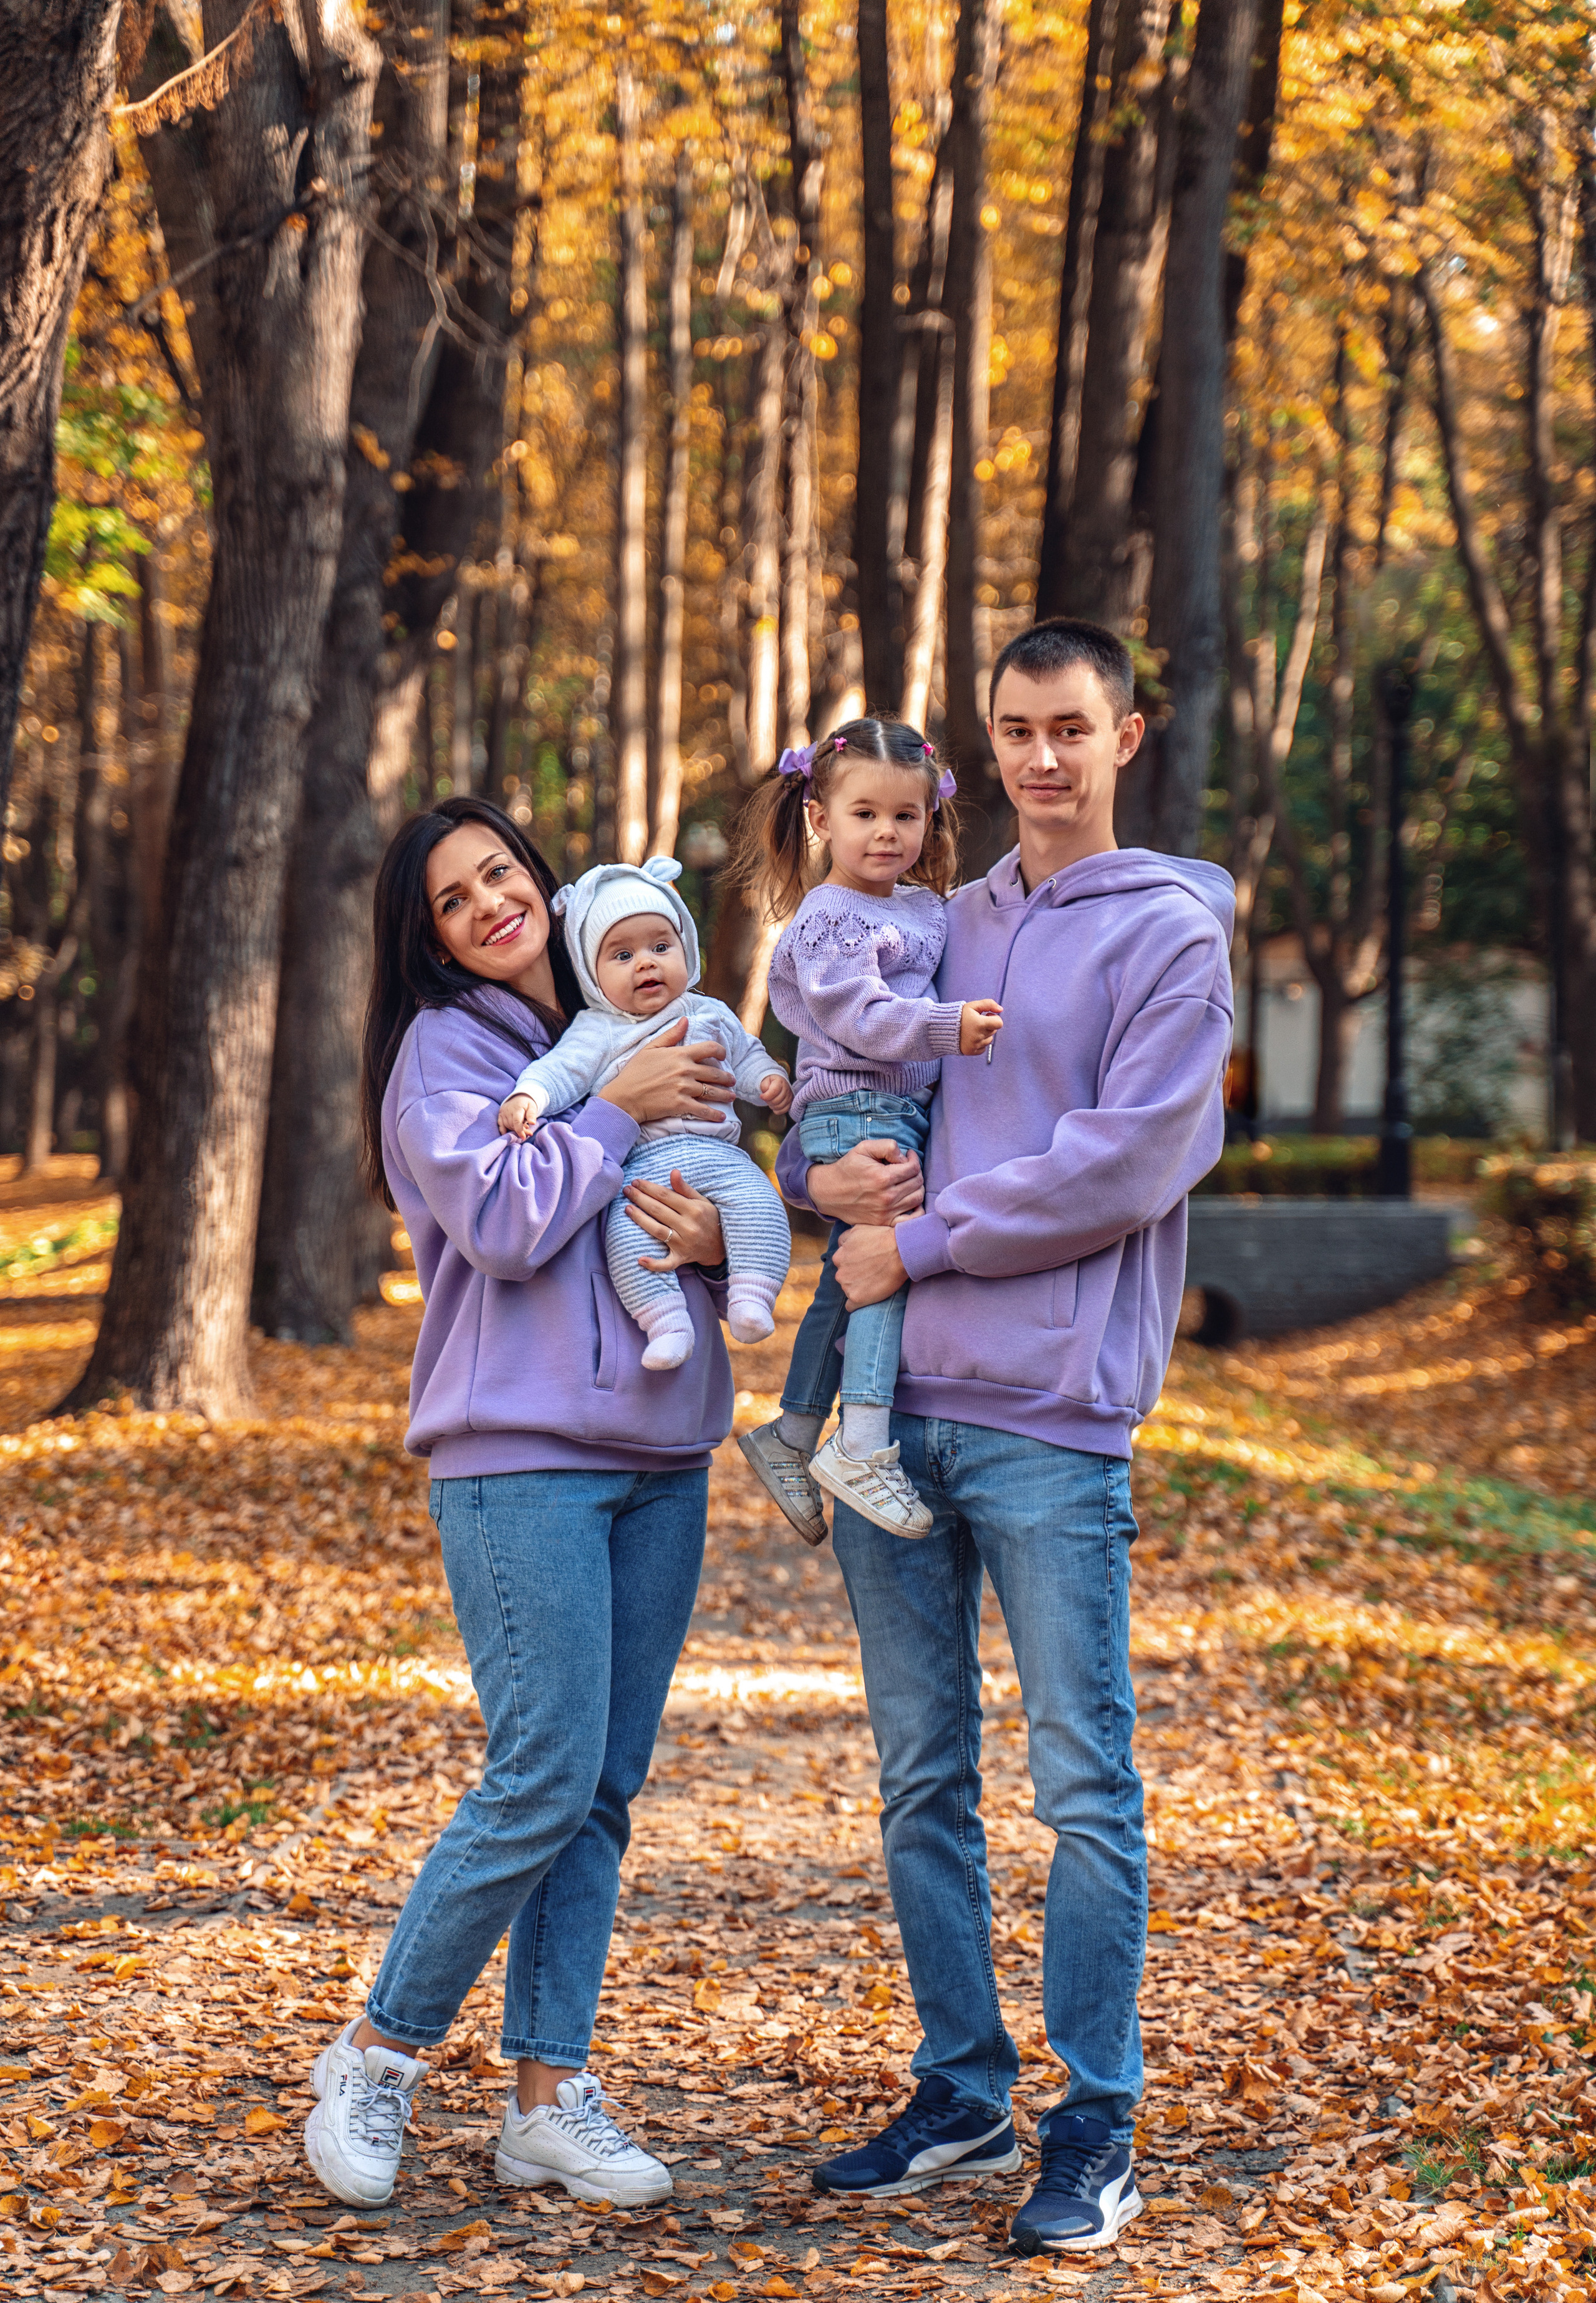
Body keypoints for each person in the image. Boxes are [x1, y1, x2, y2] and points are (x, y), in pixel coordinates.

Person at [774, 621, 1234, 2254]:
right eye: (1019, 729)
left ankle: (1092, 2114)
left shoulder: (1171, 931)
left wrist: (926, 1239)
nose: (1045, 755)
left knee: (1084, 1781)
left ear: (1126, 738)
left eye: (1073, 728)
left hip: (1051, 1417)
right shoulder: (931, 917)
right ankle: (963, 2083)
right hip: (901, 1409)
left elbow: (1128, 1158)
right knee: (919, 1781)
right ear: (990, 744)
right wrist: (813, 1187)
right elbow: (834, 1095)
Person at [302, 796, 739, 2214]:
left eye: (500, 872)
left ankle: (548, 2099)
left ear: (545, 884)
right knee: (541, 1771)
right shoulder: (445, 1056)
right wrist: (614, 1112)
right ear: (425, 942)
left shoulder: (650, 1010)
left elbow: (717, 1176)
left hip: (663, 1455)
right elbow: (497, 1222)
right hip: (518, 1459)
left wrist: (722, 1223)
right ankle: (376, 2049)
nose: (487, 901)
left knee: (599, 1792)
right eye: (450, 898)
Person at [732, 718, 1002, 1543]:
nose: (887, 833)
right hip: (856, 1108)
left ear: (931, 819)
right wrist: (947, 1027)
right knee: (885, 1276)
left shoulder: (922, 907)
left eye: (905, 816)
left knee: (848, 1279)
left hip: (891, 1109)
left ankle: (791, 1432)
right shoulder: (831, 917)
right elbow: (862, 1018)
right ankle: (861, 1443)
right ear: (821, 819)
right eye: (865, 815)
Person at [496, 854, 793, 1367]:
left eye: (661, 946)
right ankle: (666, 1325)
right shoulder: (597, 1029)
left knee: (759, 1206)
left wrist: (767, 1080)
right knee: (626, 1239)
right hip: (642, 1170)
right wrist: (530, 1096)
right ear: (592, 975)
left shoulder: (710, 1013)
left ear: (686, 949)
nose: (647, 963)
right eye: (622, 955)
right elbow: (560, 1071)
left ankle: (752, 1297)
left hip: (720, 1157)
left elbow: (744, 1055)